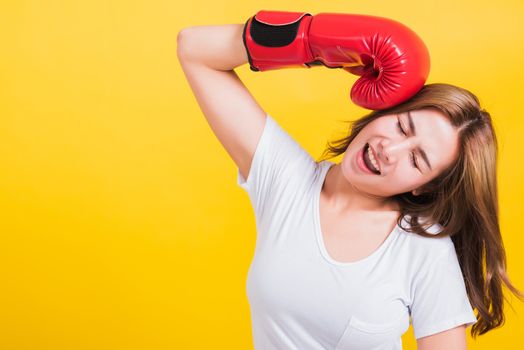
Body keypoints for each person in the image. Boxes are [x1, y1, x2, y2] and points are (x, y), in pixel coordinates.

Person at [177, 10, 524, 350]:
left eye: (417, 160)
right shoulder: (288, 181)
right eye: (402, 126)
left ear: (425, 186)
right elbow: (195, 48)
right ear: (385, 109)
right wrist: (312, 42)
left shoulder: (424, 250)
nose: (391, 149)